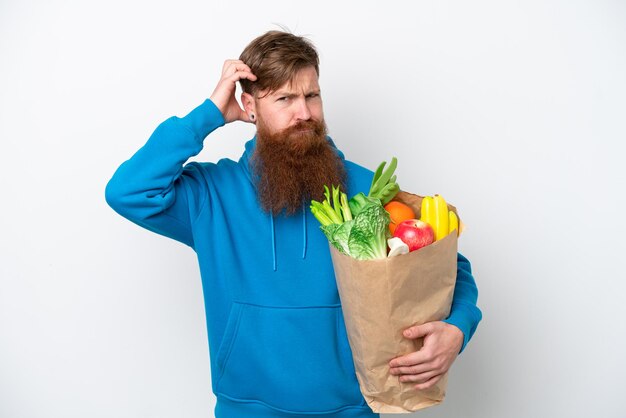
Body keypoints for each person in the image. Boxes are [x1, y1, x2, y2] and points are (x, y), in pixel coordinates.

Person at [105, 30, 482, 418]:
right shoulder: (211, 196)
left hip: (353, 408)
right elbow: (128, 191)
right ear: (249, 106)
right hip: (245, 411)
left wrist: (458, 327)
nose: (304, 113)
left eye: (312, 96)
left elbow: (447, 266)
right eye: (284, 99)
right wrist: (209, 115)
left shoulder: (370, 190)